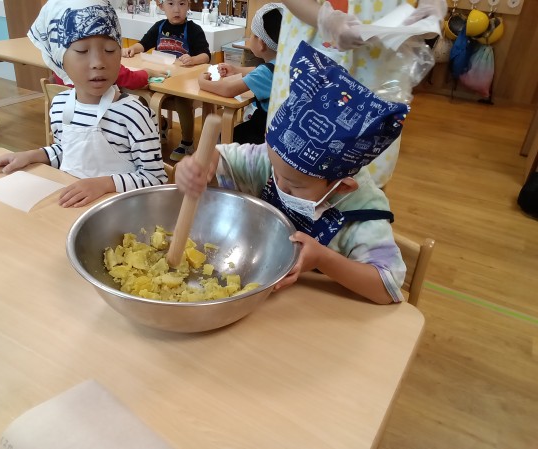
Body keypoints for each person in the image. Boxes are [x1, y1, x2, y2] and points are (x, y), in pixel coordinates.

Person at [175, 42, 410, 304]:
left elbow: (387, 287)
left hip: (318, 314)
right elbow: (220, 158)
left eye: (294, 186)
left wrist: (323, 259)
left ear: (342, 186)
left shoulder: (362, 213)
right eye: (276, 172)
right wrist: (196, 166)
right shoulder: (275, 163)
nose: (279, 185)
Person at [0, 0, 167, 208]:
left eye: (109, 50)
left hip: (122, 214)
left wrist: (104, 184)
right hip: (73, 210)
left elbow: (155, 178)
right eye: (81, 51)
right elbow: (67, 152)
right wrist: (31, 156)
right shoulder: (60, 106)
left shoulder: (134, 114)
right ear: (59, 59)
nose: (98, 62)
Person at [268, 0, 446, 188]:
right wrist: (325, 19)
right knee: (289, 169)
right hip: (313, 45)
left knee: (366, 178)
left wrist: (432, 7)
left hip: (384, 61)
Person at [122, 0, 211, 161]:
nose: (176, 9)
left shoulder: (193, 29)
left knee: (182, 102)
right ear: (161, 6)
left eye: (182, 4)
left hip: (182, 83)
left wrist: (193, 59)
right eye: (171, 4)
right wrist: (132, 49)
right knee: (143, 98)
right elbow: (143, 44)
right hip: (161, 77)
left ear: (188, 5)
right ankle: (159, 125)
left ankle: (187, 143)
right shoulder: (159, 26)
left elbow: (206, 55)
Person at [197, 3, 283, 144]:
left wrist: (202, 82)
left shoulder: (265, 73)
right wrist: (236, 70)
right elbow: (259, 71)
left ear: (261, 43)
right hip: (281, 129)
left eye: (252, 35)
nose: (249, 39)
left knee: (222, 138)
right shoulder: (284, 64)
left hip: (264, 133)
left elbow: (228, 90)